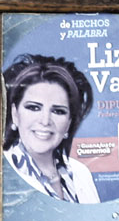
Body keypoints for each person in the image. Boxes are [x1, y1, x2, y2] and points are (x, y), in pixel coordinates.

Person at [3, 54, 99, 204]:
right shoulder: (5, 172)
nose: (45, 121)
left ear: (69, 122)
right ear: (15, 114)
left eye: (58, 111)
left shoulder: (81, 174)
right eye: (34, 108)